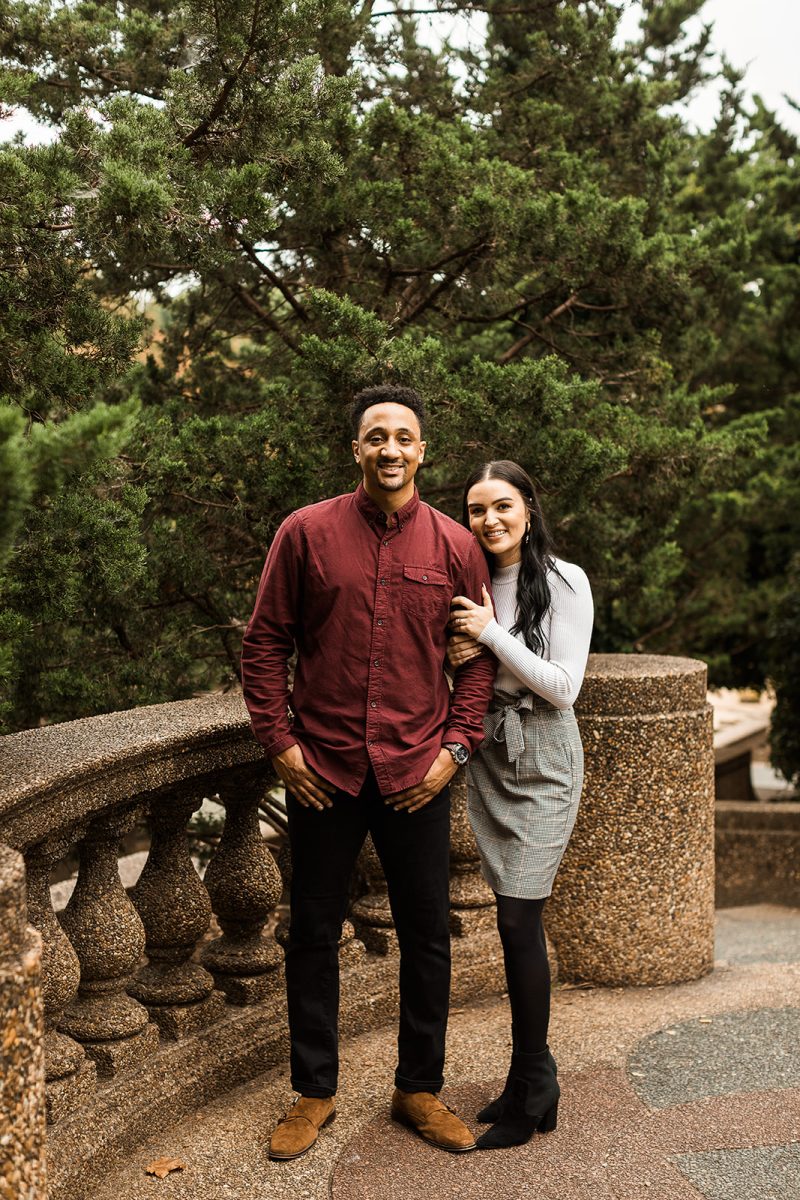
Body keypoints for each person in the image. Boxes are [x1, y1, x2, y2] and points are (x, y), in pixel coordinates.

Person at [241, 384, 496, 1162]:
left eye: (404, 438)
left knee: (427, 935)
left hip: (417, 772)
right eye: (375, 437)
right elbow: (263, 646)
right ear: (355, 448)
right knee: (311, 934)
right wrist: (281, 746)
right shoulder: (305, 534)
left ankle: (418, 1087)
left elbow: (477, 663)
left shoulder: (456, 544)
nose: (390, 449)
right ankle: (314, 1092)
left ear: (423, 451)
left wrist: (453, 753)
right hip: (325, 771)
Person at [447, 459, 593, 1151]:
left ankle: (533, 1082)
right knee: (513, 917)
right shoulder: (470, 582)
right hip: (491, 755)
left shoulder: (565, 581)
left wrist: (489, 633)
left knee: (515, 915)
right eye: (477, 509)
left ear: (528, 509)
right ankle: (527, 1075)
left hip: (545, 756)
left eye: (502, 505)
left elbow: (564, 686)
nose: (490, 520)